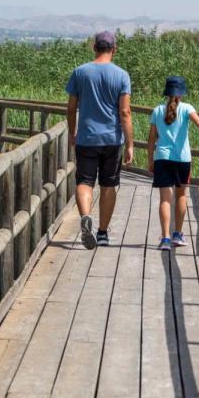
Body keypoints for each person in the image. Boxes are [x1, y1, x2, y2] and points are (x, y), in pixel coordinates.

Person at [66, 30, 133, 250]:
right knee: (108, 185)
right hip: (112, 140)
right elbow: (125, 113)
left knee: (84, 182)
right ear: (114, 49)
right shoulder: (122, 76)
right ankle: (102, 233)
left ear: (94, 47)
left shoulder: (80, 72)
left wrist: (72, 132)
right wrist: (130, 143)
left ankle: (86, 216)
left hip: (86, 137)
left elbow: (71, 107)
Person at [147, 76, 199, 251]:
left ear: (167, 93)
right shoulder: (186, 108)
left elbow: (151, 139)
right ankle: (177, 234)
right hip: (182, 159)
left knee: (164, 199)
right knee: (181, 196)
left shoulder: (157, 111)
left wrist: (150, 160)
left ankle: (165, 238)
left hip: (162, 158)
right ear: (181, 93)